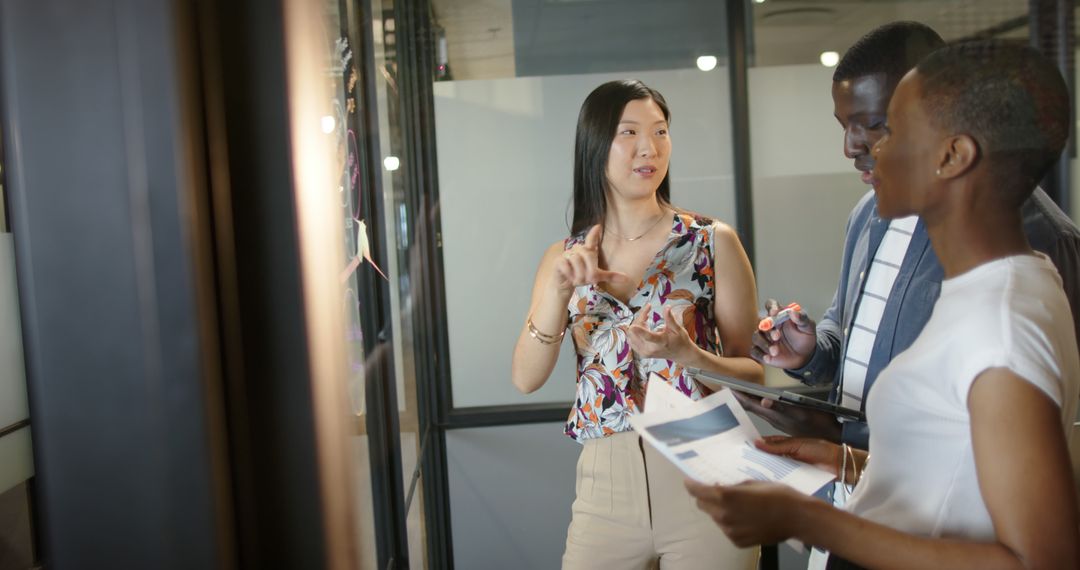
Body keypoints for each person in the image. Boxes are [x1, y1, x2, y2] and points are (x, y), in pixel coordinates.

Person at [688, 40, 1080, 569]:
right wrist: (844, 460)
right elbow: (956, 469)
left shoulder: (1001, 325)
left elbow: (1039, 561)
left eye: (890, 128)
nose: (862, 149)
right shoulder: (1002, 287)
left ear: (954, 155)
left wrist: (806, 519)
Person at [743, 21, 1080, 457]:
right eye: (844, 125)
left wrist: (841, 453)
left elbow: (1008, 463)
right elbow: (850, 333)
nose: (851, 147)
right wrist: (810, 359)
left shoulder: (1036, 251)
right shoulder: (869, 214)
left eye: (883, 126)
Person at [510, 79, 763, 569]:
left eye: (661, 132)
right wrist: (559, 293)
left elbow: (759, 377)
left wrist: (691, 356)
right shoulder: (562, 259)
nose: (649, 148)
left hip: (706, 463)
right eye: (629, 132)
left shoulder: (711, 242)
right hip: (606, 480)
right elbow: (525, 378)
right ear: (595, 145)